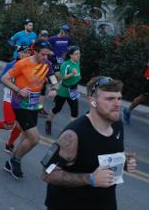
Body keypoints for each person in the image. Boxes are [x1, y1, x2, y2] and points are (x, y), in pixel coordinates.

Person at [42, 76, 138, 210]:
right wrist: (90, 178)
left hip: (104, 203)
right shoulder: (72, 135)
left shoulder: (116, 124)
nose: (117, 104)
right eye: (110, 99)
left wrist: (123, 162)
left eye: (119, 98)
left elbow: (100, 153)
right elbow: (47, 173)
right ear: (92, 101)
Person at [1, 40, 58, 179]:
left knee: (26, 135)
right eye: (43, 55)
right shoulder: (22, 63)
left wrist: (54, 89)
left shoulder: (48, 64)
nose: (46, 58)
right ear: (36, 52)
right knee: (34, 138)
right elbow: (4, 78)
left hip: (34, 104)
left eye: (48, 55)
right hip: (20, 104)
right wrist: (18, 90)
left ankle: (10, 163)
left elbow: (54, 80)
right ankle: (16, 161)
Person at [0, 46, 31, 153]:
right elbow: (1, 78)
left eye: (29, 53)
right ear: (18, 54)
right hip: (9, 98)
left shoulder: (30, 66)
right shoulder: (12, 65)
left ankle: (9, 144)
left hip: (22, 99)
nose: (28, 55)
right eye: (25, 52)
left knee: (20, 124)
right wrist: (15, 85)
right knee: (9, 125)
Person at [46, 46, 82, 135]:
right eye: (76, 54)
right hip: (63, 90)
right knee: (57, 109)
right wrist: (71, 74)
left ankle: (73, 131)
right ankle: (48, 122)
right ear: (71, 55)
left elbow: (77, 73)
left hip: (73, 90)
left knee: (75, 112)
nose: (78, 56)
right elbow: (60, 77)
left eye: (79, 53)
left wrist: (78, 78)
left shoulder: (77, 62)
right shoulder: (65, 65)